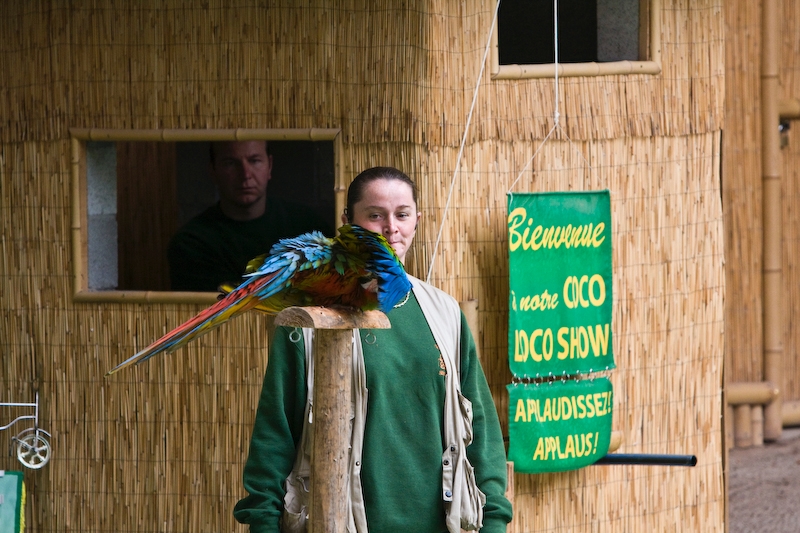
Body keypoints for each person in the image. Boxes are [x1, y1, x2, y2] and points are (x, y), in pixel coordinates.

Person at [233, 167, 513, 532]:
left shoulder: (444, 313)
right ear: (348, 222)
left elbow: (481, 432)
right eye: (375, 215)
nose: (391, 227)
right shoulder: (310, 319)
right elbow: (275, 435)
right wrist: (264, 524)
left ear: (417, 220)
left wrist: (494, 522)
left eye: (402, 214)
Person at [167, 140, 334, 291]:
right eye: (230, 163)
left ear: (269, 166)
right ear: (213, 171)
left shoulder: (309, 226)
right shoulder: (192, 243)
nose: (245, 174)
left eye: (254, 161)